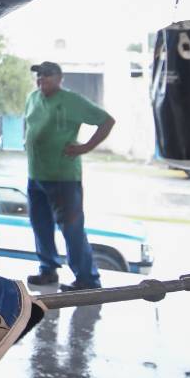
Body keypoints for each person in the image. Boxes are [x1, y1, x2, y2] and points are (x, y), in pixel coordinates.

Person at [23, 61, 115, 292]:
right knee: (40, 226)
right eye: (39, 75)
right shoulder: (33, 98)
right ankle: (47, 270)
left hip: (63, 178)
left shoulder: (72, 101)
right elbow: (30, 126)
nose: (41, 79)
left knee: (72, 229)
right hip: (36, 175)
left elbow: (106, 121)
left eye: (47, 75)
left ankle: (87, 279)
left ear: (60, 78)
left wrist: (86, 147)